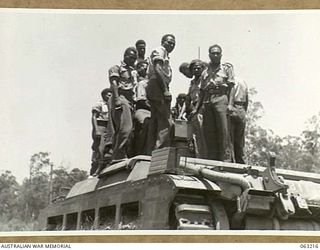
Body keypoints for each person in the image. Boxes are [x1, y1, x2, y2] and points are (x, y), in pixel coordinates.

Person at [191, 44, 235, 161]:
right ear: (209, 55)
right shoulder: (205, 71)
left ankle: (226, 161)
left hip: (221, 98)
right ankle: (212, 161)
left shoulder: (226, 68)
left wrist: (230, 104)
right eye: (213, 53)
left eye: (217, 53)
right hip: (207, 100)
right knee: (209, 132)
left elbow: (231, 87)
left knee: (223, 131)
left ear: (221, 55)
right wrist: (196, 108)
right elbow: (201, 91)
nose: (215, 55)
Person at [146, 34, 175, 154]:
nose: (172, 45)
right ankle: (160, 152)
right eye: (169, 42)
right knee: (166, 122)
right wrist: (165, 90)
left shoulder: (165, 53)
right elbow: (158, 69)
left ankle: (150, 152)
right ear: (163, 42)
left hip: (156, 85)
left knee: (155, 121)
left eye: (174, 43)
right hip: (158, 86)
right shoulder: (160, 51)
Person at [108, 47, 138, 161]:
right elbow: (114, 83)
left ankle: (116, 154)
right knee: (126, 128)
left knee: (123, 129)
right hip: (120, 97)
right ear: (125, 56)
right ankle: (119, 154)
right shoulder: (116, 68)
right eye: (131, 57)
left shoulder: (132, 71)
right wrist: (116, 99)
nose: (133, 60)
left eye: (134, 58)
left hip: (129, 100)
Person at [184, 59, 207, 158]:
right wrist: (182, 114)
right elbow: (188, 98)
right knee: (195, 136)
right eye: (194, 68)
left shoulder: (204, 80)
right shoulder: (192, 83)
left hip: (201, 108)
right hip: (193, 109)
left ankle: (206, 158)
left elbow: (203, 95)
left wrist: (196, 109)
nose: (197, 69)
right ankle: (199, 157)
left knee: (203, 134)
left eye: (199, 67)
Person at [90, 88, 113, 176]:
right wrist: (96, 129)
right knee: (100, 148)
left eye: (111, 94)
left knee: (107, 148)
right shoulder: (99, 104)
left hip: (109, 127)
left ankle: (103, 167)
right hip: (100, 125)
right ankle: (96, 170)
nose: (110, 96)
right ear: (103, 95)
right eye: (108, 94)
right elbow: (94, 117)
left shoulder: (111, 105)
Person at [229, 76, 248, 164]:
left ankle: (232, 162)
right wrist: (243, 111)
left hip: (232, 106)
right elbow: (247, 98)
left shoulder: (229, 81)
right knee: (240, 139)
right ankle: (242, 162)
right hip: (242, 108)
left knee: (230, 138)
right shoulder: (243, 81)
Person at [133, 60, 151, 155]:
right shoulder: (141, 83)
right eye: (142, 67)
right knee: (145, 124)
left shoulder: (151, 82)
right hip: (143, 110)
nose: (145, 69)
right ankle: (138, 153)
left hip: (152, 111)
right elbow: (141, 100)